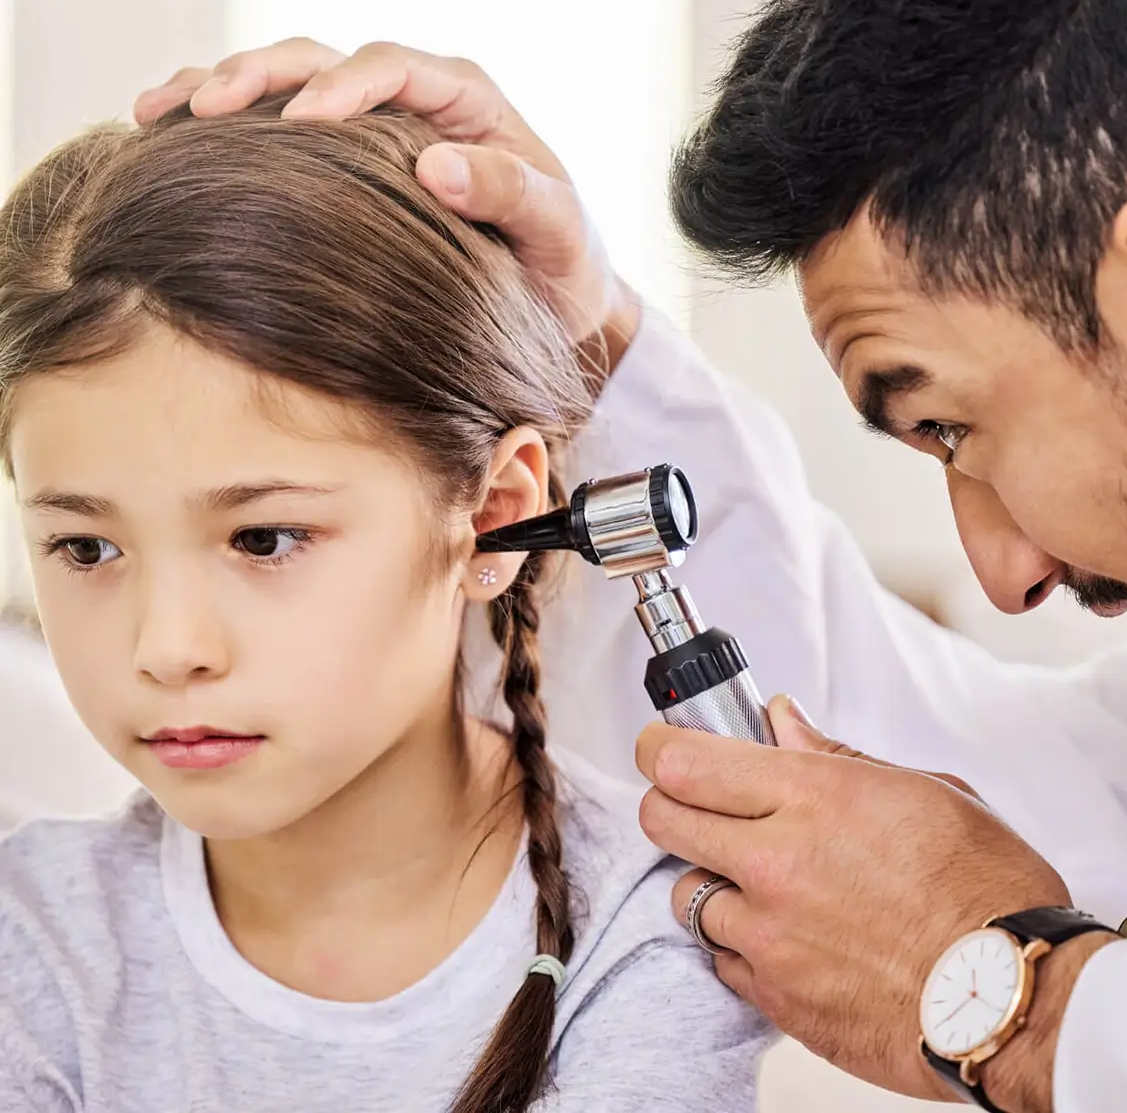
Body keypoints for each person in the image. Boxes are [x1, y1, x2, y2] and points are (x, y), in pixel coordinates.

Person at [129, 0, 1127, 1104]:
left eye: (954, 423)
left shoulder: (634, 972)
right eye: (84, 543)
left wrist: (1030, 1007)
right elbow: (913, 778)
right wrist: (588, 336)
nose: (1007, 577)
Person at [0, 99, 772, 1110]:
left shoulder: (649, 929)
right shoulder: (34, 940)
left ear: (494, 514)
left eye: (264, 538)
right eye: (87, 546)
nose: (168, 646)